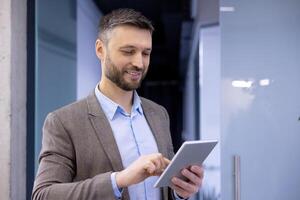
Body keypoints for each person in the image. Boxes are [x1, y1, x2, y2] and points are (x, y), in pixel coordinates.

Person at [32, 8, 204, 200]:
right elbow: (44, 195)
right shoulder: (63, 122)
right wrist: (119, 180)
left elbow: (165, 188)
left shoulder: (159, 114)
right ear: (100, 50)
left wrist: (180, 191)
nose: (139, 63)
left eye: (145, 53)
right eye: (128, 51)